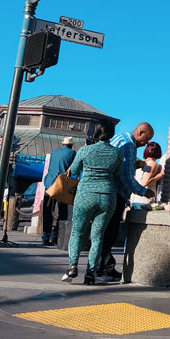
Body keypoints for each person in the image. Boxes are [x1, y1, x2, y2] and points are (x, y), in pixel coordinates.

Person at [62, 122, 123, 285]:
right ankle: (90, 273)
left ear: (95, 133)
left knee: (77, 232)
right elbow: (117, 173)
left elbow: (74, 171)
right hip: (107, 195)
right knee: (97, 237)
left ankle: (72, 266)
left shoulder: (85, 150)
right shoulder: (117, 153)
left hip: (85, 194)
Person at [97, 122, 154, 282]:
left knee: (102, 231)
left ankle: (101, 266)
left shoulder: (118, 139)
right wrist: (144, 191)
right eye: (146, 140)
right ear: (141, 133)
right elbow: (126, 178)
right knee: (110, 232)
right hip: (115, 193)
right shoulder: (129, 145)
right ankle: (104, 268)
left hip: (103, 191)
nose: (145, 144)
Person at [42, 137, 76, 246]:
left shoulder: (54, 152)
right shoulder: (72, 153)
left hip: (49, 183)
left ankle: (45, 235)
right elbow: (74, 169)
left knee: (47, 211)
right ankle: (55, 235)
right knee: (62, 212)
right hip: (61, 186)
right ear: (71, 145)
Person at [130, 142, 164, 208]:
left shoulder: (141, 164)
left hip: (135, 198)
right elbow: (145, 183)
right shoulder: (153, 164)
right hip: (145, 199)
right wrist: (160, 175)